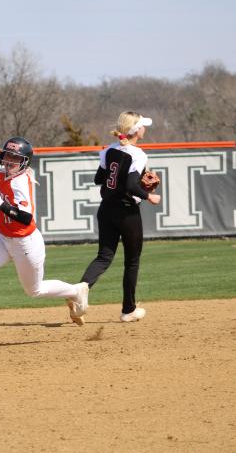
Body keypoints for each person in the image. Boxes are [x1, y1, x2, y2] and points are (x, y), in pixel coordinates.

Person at [0, 136, 89, 338]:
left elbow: (25, 217)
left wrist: (0, 205)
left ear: (25, 162)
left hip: (25, 242)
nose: (9, 161)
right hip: (1, 237)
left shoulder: (21, 182)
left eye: (15, 158)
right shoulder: (2, 173)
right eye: (7, 156)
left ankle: (75, 291)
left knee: (34, 291)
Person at [79, 111, 161, 322]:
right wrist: (148, 196)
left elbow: (99, 178)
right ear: (136, 130)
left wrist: (119, 176)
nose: (145, 128)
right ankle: (128, 310)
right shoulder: (138, 154)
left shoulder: (108, 150)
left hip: (106, 209)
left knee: (104, 256)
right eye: (143, 126)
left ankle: (79, 290)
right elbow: (132, 186)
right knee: (132, 261)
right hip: (126, 211)